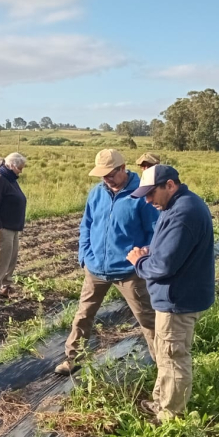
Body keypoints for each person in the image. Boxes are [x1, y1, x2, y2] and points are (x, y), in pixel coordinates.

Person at [57, 150, 159, 375]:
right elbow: (86, 225)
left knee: (147, 319)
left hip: (129, 272)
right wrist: (85, 256)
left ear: (123, 168)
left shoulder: (141, 195)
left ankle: (163, 365)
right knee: (83, 315)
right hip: (96, 269)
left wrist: (144, 258)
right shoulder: (96, 193)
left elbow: (154, 232)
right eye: (102, 175)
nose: (106, 179)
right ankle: (72, 359)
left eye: (110, 174)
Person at [126, 165, 215, 423]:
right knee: (165, 353)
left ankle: (170, 415)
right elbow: (166, 250)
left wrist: (139, 262)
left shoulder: (184, 213)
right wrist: (150, 251)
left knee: (174, 356)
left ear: (170, 185)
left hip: (177, 299)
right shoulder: (176, 206)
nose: (148, 200)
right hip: (176, 295)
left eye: (151, 193)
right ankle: (160, 402)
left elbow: (164, 266)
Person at [0, 153, 27, 300]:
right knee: (0, 259)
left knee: (10, 258)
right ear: (12, 165)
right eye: (20, 167)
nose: (21, 171)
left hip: (12, 227)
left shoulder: (10, 179)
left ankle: (5, 287)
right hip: (1, 227)